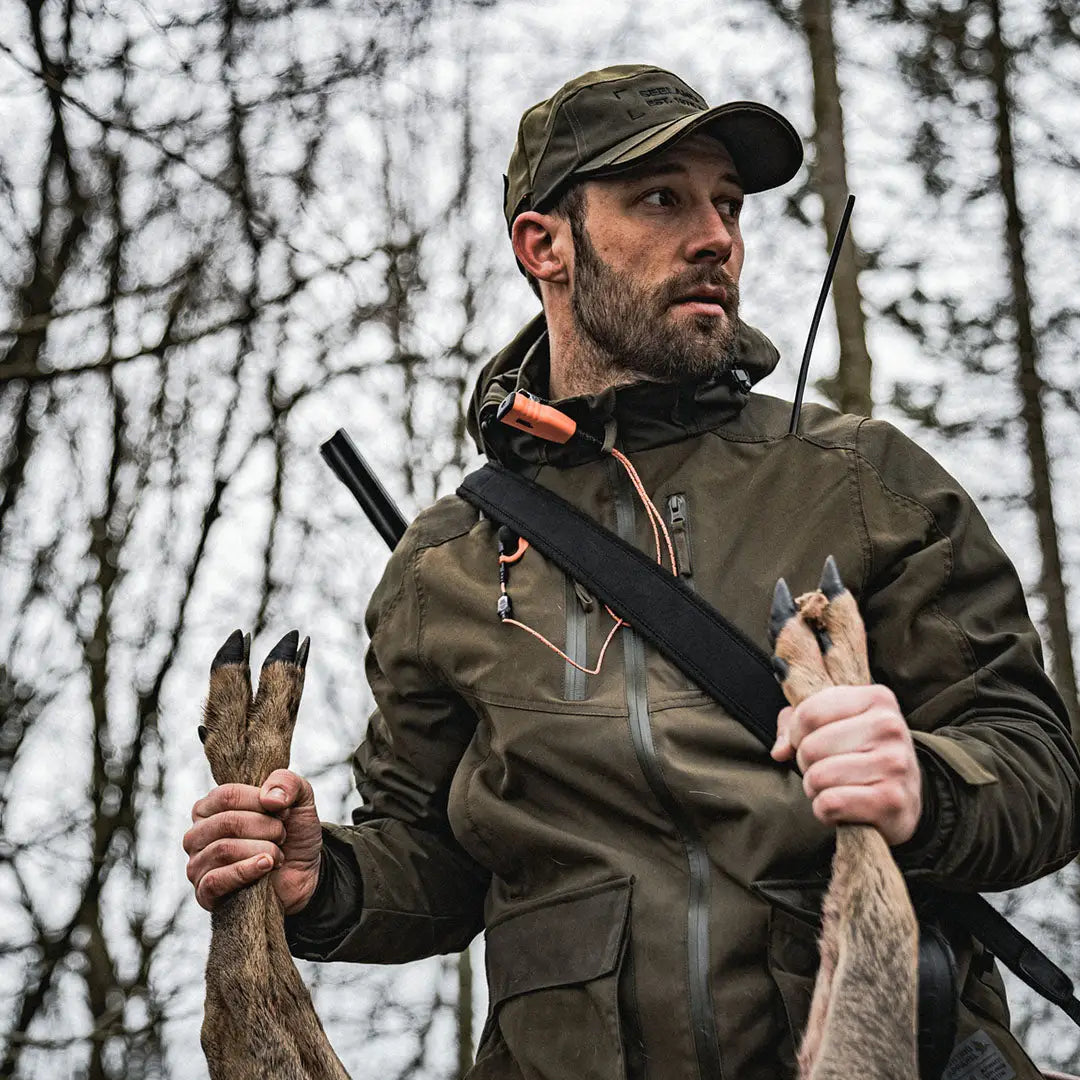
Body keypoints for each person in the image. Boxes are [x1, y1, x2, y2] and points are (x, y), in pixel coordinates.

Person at [183, 65, 1080, 1079]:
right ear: (544, 245)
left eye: (728, 205)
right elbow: (436, 866)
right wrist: (324, 879)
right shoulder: (445, 567)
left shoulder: (864, 480)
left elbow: (1043, 769)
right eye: (662, 199)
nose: (716, 237)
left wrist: (926, 784)